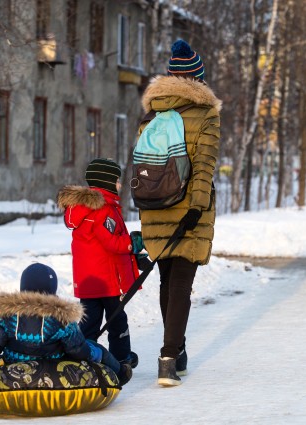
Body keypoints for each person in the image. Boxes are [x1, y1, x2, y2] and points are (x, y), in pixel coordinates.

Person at [138, 39, 221, 386]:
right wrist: (197, 206)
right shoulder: (206, 115)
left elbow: (142, 165)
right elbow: (204, 166)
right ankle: (169, 358)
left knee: (167, 280)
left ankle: (177, 350)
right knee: (181, 285)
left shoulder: (151, 114)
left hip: (154, 206)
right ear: (198, 80)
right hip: (189, 208)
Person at [0, 263, 131, 385]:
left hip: (15, 364)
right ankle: (121, 373)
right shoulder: (63, 318)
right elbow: (79, 351)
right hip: (54, 366)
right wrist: (96, 353)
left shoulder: (7, 316)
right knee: (95, 347)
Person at [57, 158, 142, 369]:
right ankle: (122, 358)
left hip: (87, 281)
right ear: (106, 182)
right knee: (117, 320)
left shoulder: (83, 209)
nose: (119, 185)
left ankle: (83, 357)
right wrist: (133, 244)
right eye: (116, 180)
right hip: (106, 281)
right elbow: (113, 243)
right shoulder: (102, 209)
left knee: (89, 322)